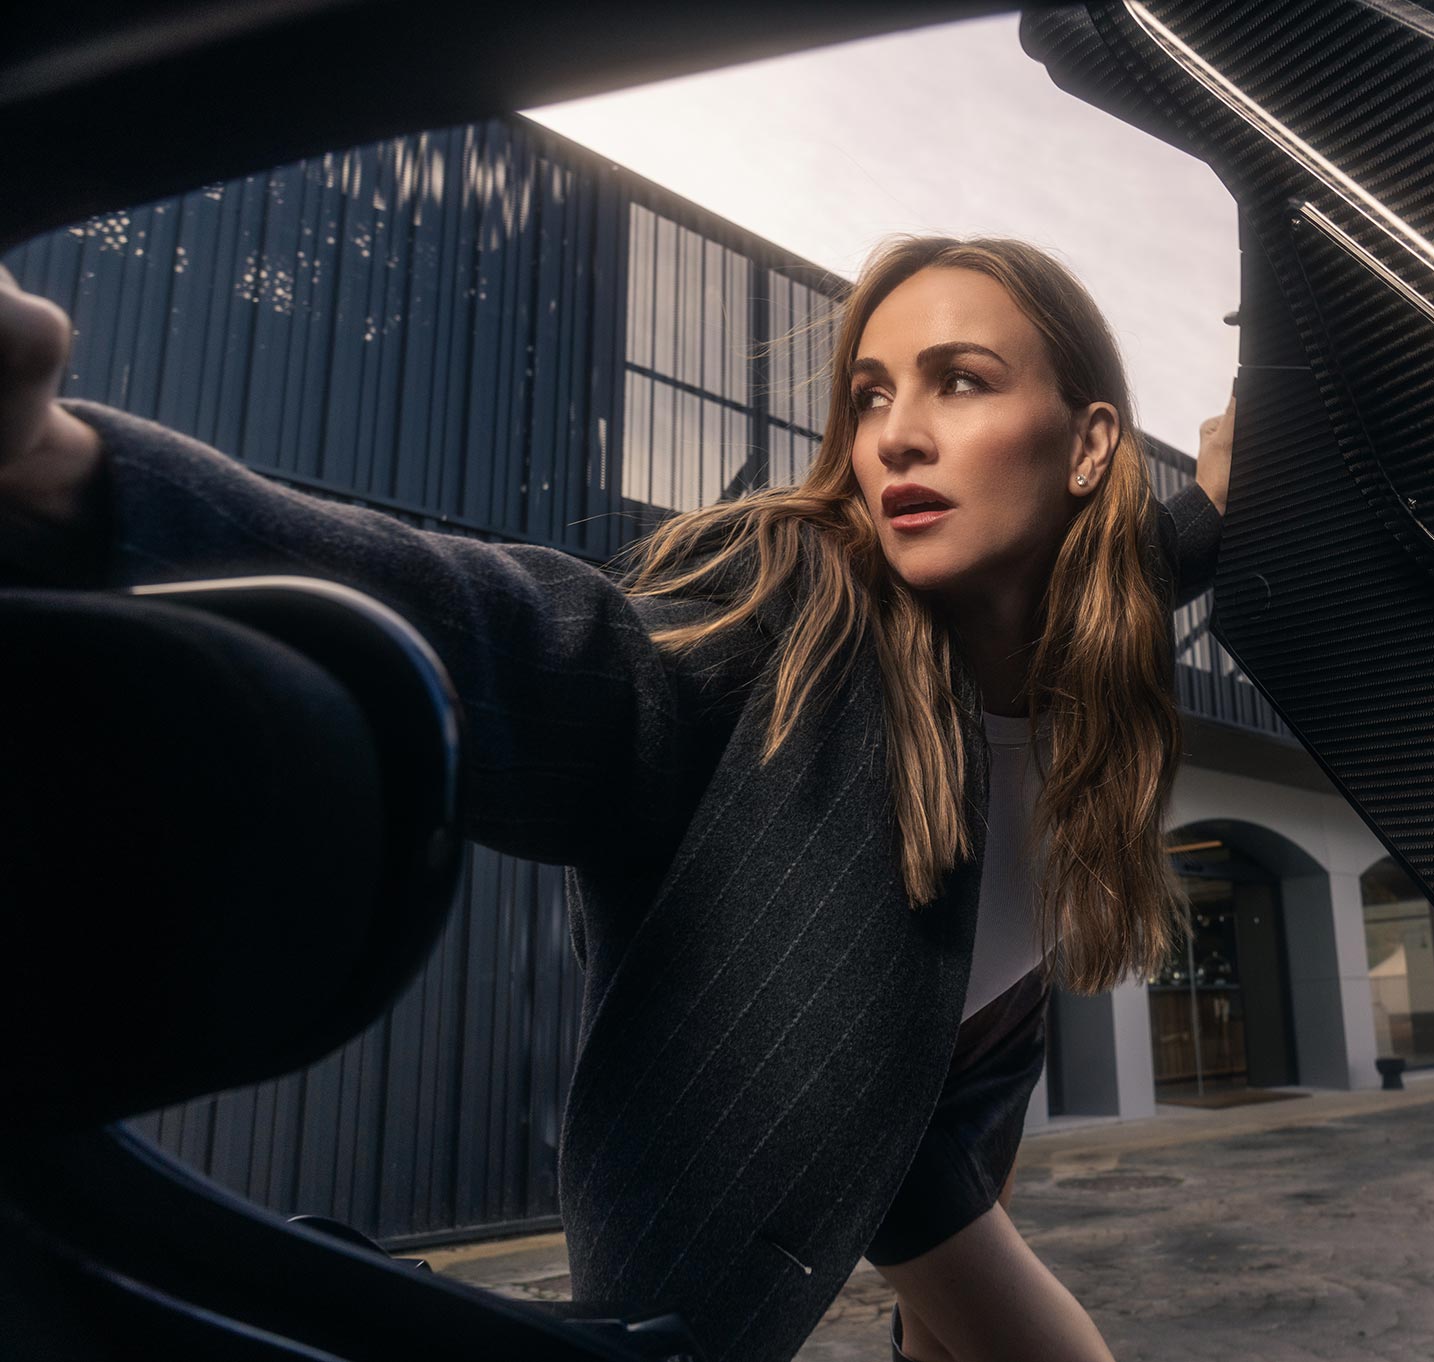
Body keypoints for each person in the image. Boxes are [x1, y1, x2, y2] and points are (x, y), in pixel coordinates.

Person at [0, 234, 1233, 1362]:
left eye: (958, 381)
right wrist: (72, 480)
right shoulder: (782, 635)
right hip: (779, 1163)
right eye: (869, 394)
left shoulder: (1080, 653)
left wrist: (1230, 499)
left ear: (1085, 446)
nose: (894, 437)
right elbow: (541, 646)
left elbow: (1134, 561)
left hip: (952, 1115)